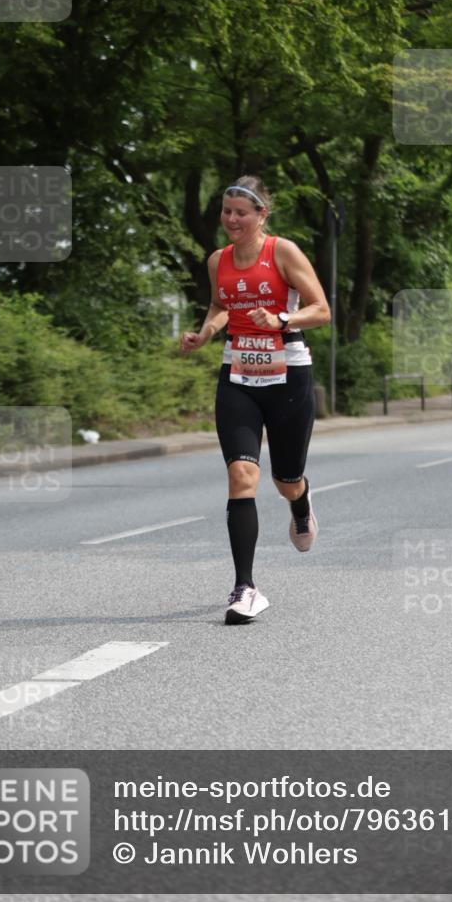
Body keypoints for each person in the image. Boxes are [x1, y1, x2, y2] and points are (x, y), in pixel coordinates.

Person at [181, 176, 331, 625]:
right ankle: (244, 586)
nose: (231, 220)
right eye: (226, 212)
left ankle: (300, 504)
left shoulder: (282, 252)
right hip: (238, 376)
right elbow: (219, 304)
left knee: (285, 480)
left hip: (288, 375)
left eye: (240, 213)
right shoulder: (217, 261)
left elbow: (321, 309)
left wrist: (282, 318)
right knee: (242, 476)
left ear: (261, 215)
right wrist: (206, 332)